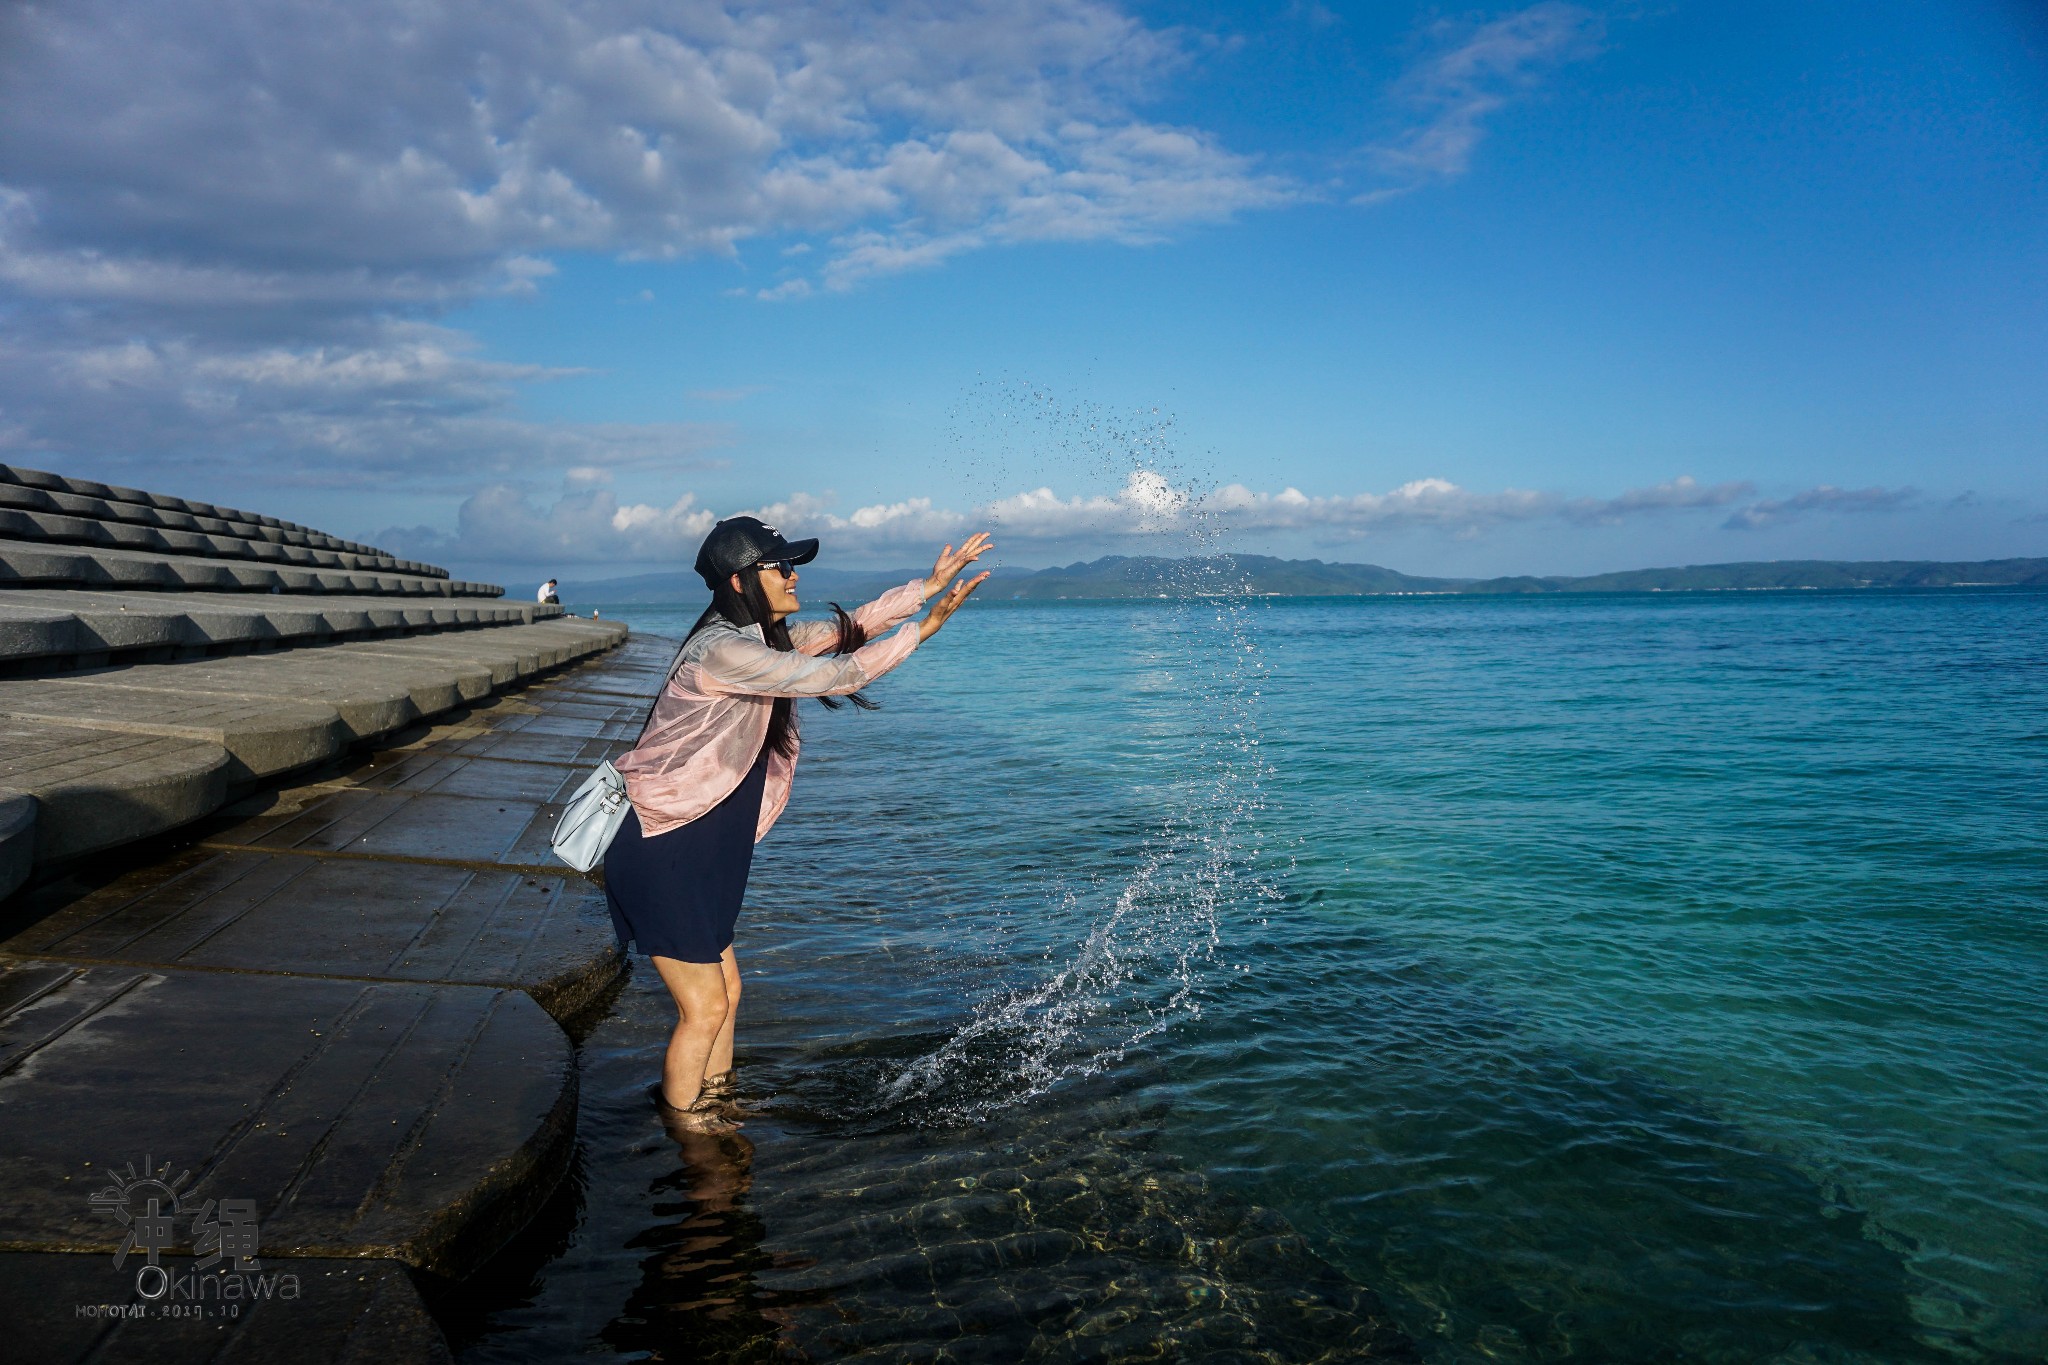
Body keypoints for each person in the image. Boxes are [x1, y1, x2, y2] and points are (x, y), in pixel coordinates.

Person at [607, 516, 991, 1129]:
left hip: (704, 847)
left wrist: (927, 586)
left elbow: (845, 631)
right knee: (704, 1009)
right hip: (665, 849)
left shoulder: (762, 642)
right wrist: (925, 629)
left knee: (727, 996)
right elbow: (838, 674)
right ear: (740, 580)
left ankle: (716, 1108)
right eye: (780, 567)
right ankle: (690, 1140)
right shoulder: (726, 652)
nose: (793, 576)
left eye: (793, 565)